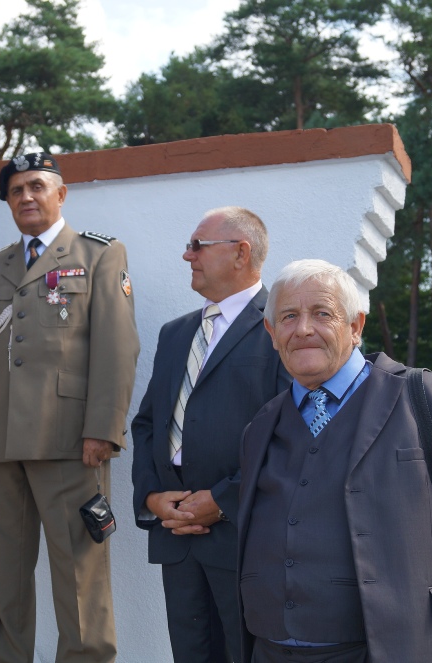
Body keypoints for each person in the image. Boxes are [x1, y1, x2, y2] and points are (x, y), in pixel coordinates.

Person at [236, 258, 432, 663]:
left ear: (356, 326)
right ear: (272, 332)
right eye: (289, 316)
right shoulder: (259, 427)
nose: (304, 329)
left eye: (322, 313)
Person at [0, 152, 139, 663]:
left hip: (69, 441)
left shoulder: (98, 254)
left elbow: (118, 347)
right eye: (16, 190)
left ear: (60, 194)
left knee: (80, 579)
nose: (26, 196)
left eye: (37, 186)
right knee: (4, 579)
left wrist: (103, 429)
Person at [131, 206, 288, 662]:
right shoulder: (176, 333)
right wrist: (152, 497)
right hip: (177, 535)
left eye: (198, 245)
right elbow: (148, 423)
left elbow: (289, 433)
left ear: (241, 253)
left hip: (243, 537)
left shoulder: (280, 327)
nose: (188, 255)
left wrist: (222, 500)